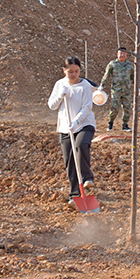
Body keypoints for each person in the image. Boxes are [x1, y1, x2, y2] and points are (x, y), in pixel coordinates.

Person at [48, 56, 97, 201]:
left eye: (76, 71)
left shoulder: (85, 86)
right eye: (70, 71)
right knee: (70, 161)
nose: (74, 74)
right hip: (65, 127)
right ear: (64, 70)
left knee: (81, 144)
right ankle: (75, 194)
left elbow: (87, 107)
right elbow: (52, 105)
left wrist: (76, 121)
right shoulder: (60, 84)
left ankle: (87, 177)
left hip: (84, 124)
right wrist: (60, 96)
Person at [99, 47, 134, 131]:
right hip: (116, 90)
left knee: (127, 107)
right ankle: (110, 123)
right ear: (117, 54)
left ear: (126, 55)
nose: (122, 55)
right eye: (120, 53)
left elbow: (133, 77)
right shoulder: (113, 64)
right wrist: (102, 85)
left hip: (127, 90)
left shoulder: (130, 65)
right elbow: (106, 75)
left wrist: (137, 87)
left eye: (124, 53)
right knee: (114, 107)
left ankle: (125, 125)